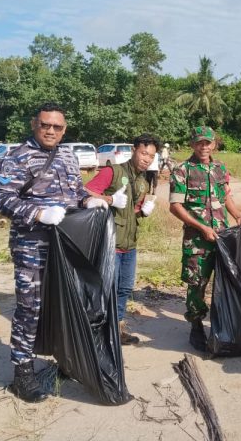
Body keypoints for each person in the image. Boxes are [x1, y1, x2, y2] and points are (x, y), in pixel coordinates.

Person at [0, 103, 107, 403]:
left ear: (64, 129)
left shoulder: (68, 155)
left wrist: (88, 201)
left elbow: (76, 191)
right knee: (30, 308)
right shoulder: (15, 157)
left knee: (65, 303)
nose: (51, 131)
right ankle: (22, 372)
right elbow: (2, 199)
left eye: (57, 127)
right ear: (35, 124)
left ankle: (66, 359)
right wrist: (38, 213)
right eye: (45, 125)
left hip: (67, 244)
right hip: (32, 246)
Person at [169, 126, 241, 351]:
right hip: (197, 240)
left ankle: (222, 324)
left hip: (222, 237)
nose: (204, 147)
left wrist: (239, 215)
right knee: (197, 283)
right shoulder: (183, 170)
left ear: (214, 144)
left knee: (225, 281)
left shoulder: (220, 167)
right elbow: (175, 206)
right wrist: (201, 227)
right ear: (192, 144)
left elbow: (226, 197)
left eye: (208, 143)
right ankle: (196, 326)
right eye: (199, 143)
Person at [86, 134, 159, 345]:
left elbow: (131, 210)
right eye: (144, 153)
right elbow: (85, 192)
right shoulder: (113, 172)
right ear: (134, 150)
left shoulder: (143, 181)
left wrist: (142, 211)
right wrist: (109, 199)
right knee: (106, 289)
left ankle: (117, 329)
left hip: (130, 245)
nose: (147, 159)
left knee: (124, 288)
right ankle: (98, 333)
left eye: (151, 156)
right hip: (110, 244)